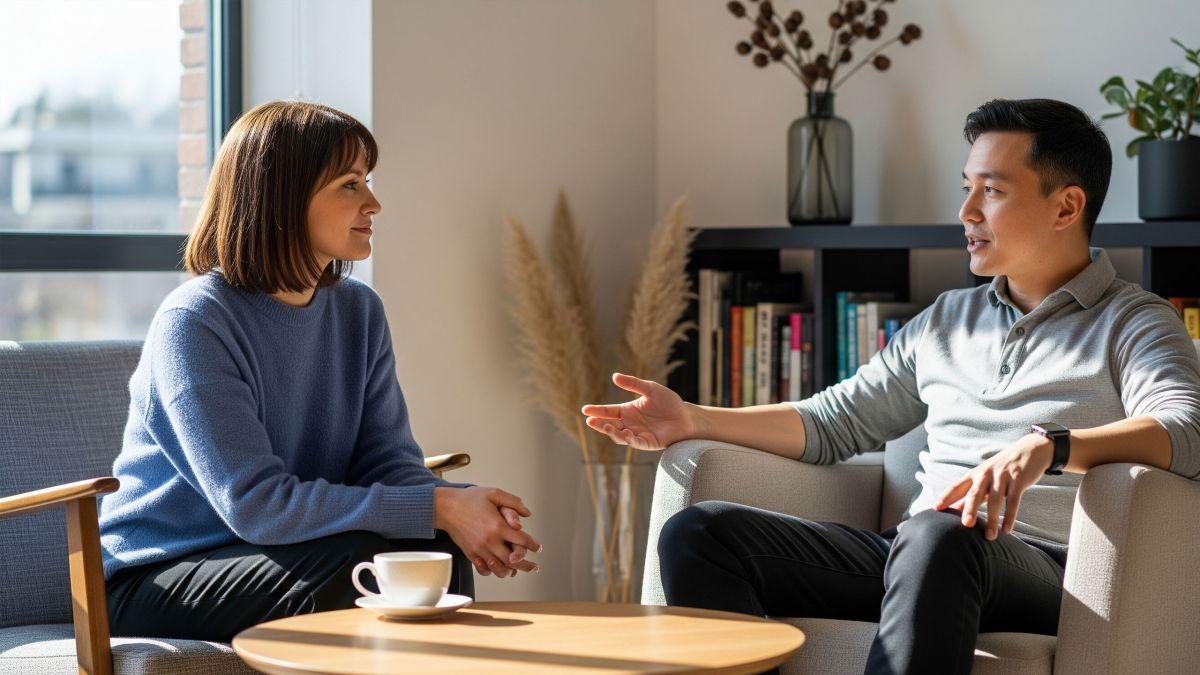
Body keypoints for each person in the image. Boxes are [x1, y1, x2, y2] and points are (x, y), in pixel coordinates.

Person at [582, 98, 1200, 674]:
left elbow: (1186, 430)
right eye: (967, 188)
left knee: (942, 528)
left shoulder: (1133, 320)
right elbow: (831, 423)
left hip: (1048, 569)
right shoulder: (945, 321)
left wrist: (1052, 446)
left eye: (993, 190)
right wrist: (693, 418)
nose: (967, 212)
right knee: (700, 535)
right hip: (919, 553)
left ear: (1067, 207)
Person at [100, 100, 540, 642]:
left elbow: (386, 461)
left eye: (367, 182)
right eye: (350, 185)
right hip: (160, 576)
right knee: (352, 566)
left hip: (283, 550)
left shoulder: (359, 311)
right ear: (282, 196)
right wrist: (436, 503)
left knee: (433, 546)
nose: (374, 203)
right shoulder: (195, 322)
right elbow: (256, 505)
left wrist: (466, 508)